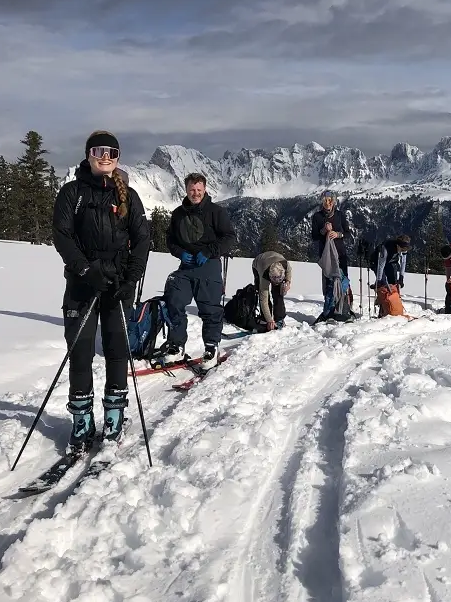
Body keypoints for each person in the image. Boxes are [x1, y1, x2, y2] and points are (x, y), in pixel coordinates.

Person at [52, 130, 150, 451]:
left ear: (117, 157)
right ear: (88, 154)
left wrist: (131, 279)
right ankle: (81, 423)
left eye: (112, 152)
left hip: (118, 285)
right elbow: (62, 236)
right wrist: (85, 269)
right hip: (82, 284)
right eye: (99, 150)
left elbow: (142, 240)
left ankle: (114, 418)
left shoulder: (128, 196)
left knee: (117, 350)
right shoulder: (72, 192)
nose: (105, 156)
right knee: (80, 352)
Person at [158, 172, 237, 371]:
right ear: (186, 190)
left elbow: (229, 237)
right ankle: (176, 345)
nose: (196, 193)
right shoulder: (178, 214)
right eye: (192, 190)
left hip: (208, 264)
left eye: (199, 190)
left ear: (205, 189)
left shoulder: (216, 212)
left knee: (210, 308)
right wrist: (180, 253)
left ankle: (211, 347)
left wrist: (209, 252)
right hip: (186, 265)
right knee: (174, 300)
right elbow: (170, 240)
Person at [311, 190, 351, 277]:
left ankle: (346, 290)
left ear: (334, 202)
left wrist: (338, 234)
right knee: (328, 284)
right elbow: (314, 237)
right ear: (322, 201)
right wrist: (324, 231)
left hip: (340, 254)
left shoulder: (340, 215)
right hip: (326, 256)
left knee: (343, 281)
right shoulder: (317, 216)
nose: (328, 203)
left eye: (330, 200)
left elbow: (348, 234)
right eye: (325, 200)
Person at [252, 250, 291, 332]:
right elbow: (264, 301)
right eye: (274, 281)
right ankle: (265, 319)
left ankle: (279, 319)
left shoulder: (285, 264)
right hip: (258, 263)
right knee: (263, 293)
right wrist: (269, 319)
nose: (276, 283)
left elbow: (289, 271)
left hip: (275, 259)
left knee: (278, 294)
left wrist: (288, 282)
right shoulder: (264, 276)